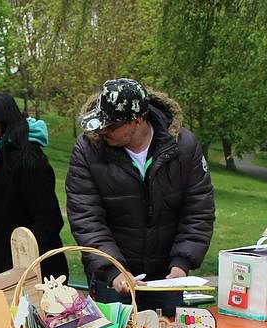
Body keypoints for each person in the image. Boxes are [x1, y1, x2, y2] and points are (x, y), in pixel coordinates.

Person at [66, 78, 215, 315]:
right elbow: (86, 217)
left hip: (166, 278)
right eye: (100, 123)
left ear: (137, 120)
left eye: (112, 126)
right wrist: (113, 269)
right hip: (111, 279)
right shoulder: (87, 150)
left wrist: (181, 263)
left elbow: (198, 209)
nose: (102, 131)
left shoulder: (184, 147)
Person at [0, 94, 68, 282]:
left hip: (36, 276)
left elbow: (49, 221)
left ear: (2, 124)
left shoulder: (28, 161)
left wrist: (20, 265)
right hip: (4, 270)